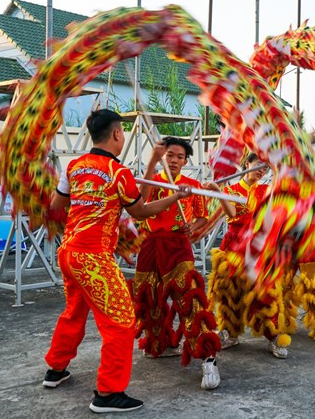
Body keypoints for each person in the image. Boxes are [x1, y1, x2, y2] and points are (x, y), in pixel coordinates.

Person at [43, 109, 190, 413]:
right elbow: (141, 212)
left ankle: (55, 370)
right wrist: (176, 197)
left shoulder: (75, 166)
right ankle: (108, 393)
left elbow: (57, 204)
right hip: (93, 257)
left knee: (75, 311)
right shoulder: (118, 173)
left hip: (69, 253)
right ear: (116, 135)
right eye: (122, 131)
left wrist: (90, 197)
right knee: (122, 321)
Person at [133, 137, 222, 390]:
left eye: (179, 157)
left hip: (178, 245)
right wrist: (151, 163)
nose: (174, 160)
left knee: (188, 297)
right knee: (149, 296)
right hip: (150, 245)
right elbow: (141, 205)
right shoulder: (151, 179)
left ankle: (208, 357)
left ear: (185, 161)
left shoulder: (192, 186)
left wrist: (191, 226)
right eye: (169, 155)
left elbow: (202, 218)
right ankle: (159, 343)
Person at [207, 154, 297, 359]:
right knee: (230, 292)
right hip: (233, 243)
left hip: (258, 246)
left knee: (265, 292)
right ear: (246, 164)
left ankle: (273, 335)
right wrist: (218, 192)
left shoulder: (265, 191)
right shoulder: (230, 190)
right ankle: (230, 333)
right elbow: (231, 213)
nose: (260, 171)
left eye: (264, 169)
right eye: (257, 166)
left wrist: (276, 169)